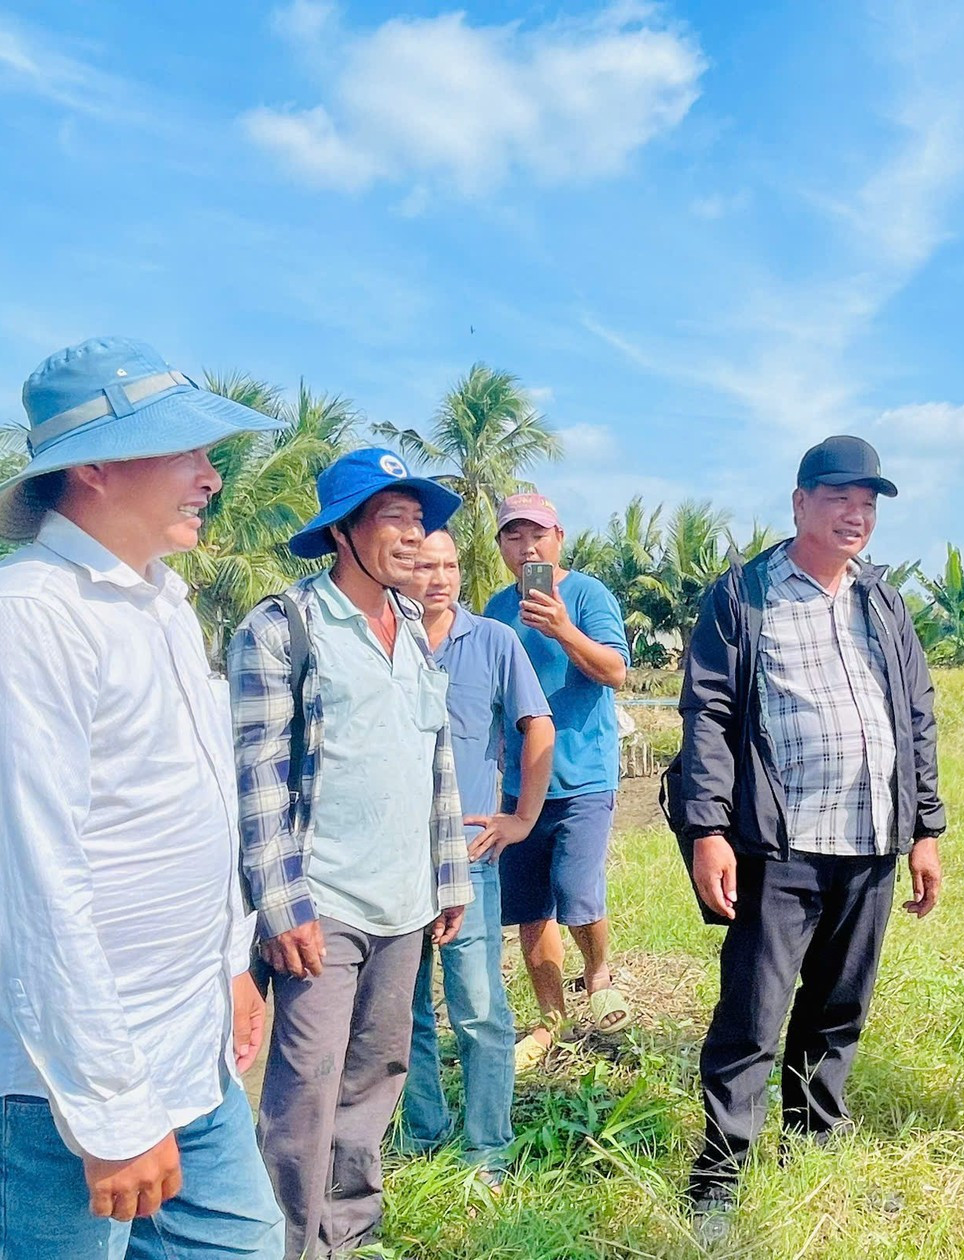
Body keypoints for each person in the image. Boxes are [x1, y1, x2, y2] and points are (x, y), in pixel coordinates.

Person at [0, 336, 287, 1258]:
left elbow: (188, 814)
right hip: (51, 1092)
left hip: (185, 1053)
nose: (211, 477)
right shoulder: (25, 620)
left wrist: (230, 965)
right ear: (95, 467)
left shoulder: (160, 605)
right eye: (185, 451)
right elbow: (25, 889)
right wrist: (110, 1110)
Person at [676, 434, 947, 1225]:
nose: (855, 515)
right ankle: (719, 1177)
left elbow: (917, 714)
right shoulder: (744, 595)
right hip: (780, 843)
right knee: (753, 1016)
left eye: (867, 503)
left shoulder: (881, 600)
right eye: (839, 499)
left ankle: (812, 1147)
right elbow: (708, 714)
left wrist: (925, 828)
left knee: (838, 1010)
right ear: (800, 504)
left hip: (870, 840)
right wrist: (708, 828)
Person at [228, 448, 474, 1259]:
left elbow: (434, 759)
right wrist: (281, 907)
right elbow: (258, 775)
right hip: (321, 904)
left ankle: (348, 1235)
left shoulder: (414, 627)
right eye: (393, 519)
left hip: (404, 902)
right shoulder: (284, 627)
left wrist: (448, 876)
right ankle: (286, 1246)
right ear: (341, 531)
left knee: (376, 1077)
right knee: (306, 1090)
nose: (414, 537)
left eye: (420, 520)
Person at [397, 529, 556, 1181]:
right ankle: (421, 1135)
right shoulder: (385, 639)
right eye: (424, 566)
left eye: (451, 565)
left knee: (480, 1008)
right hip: (392, 862)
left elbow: (537, 724)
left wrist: (523, 817)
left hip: (469, 859)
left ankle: (488, 1149)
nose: (439, 578)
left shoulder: (494, 641)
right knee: (403, 1011)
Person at [482, 491, 634, 1066]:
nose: (527, 547)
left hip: (583, 775)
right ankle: (551, 1020)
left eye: (537, 535)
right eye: (514, 536)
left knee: (576, 891)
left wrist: (564, 628)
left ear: (559, 539)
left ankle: (598, 974)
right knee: (530, 907)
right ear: (501, 545)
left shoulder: (588, 595)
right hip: (519, 785)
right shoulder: (496, 609)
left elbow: (615, 671)